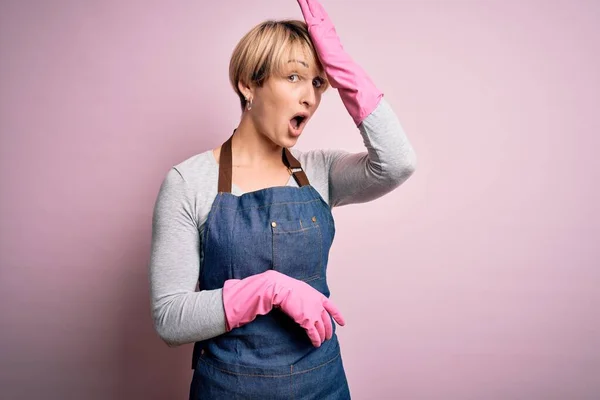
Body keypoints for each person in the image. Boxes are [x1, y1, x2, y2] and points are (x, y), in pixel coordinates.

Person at [149, 1, 417, 398]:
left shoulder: (320, 172)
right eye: (293, 77)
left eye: (317, 83)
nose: (310, 97)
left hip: (322, 386)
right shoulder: (189, 182)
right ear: (248, 84)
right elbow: (170, 319)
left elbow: (397, 163)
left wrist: (343, 67)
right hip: (229, 389)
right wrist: (269, 288)